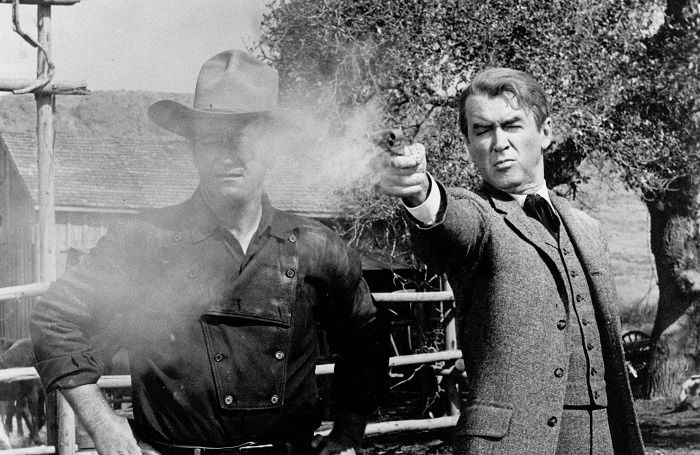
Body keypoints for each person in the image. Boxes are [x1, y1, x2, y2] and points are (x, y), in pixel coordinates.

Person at [31, 50, 387, 455]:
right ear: (193, 149)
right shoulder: (142, 241)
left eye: (244, 138)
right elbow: (54, 319)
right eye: (211, 139)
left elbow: (366, 337)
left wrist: (348, 431)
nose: (227, 155)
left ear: (272, 148)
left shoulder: (317, 246)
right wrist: (102, 424)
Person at [379, 68, 644, 454]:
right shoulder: (478, 215)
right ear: (468, 144)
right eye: (483, 130)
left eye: (512, 125)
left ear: (546, 132)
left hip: (603, 440)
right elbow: (450, 226)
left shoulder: (589, 229)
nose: (499, 143)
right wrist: (421, 193)